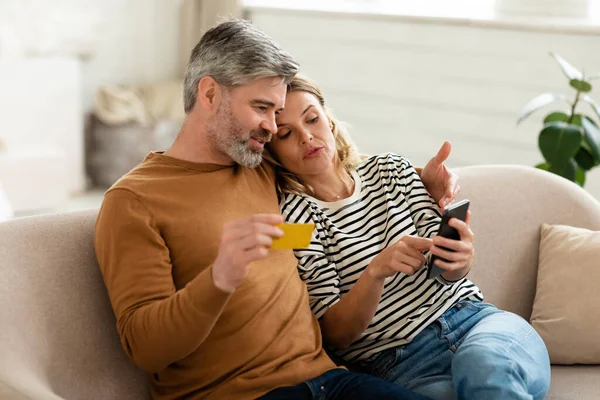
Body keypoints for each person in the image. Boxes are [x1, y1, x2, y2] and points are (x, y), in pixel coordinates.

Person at [94, 19, 455, 400]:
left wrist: (421, 179)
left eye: (276, 110)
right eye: (261, 107)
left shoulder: (261, 166)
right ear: (210, 93)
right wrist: (219, 277)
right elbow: (145, 349)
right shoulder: (134, 201)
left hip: (330, 380)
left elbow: (333, 164)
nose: (272, 126)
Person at [265, 75, 551, 400]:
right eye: (286, 134)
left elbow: (446, 272)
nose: (306, 137)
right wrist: (375, 272)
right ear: (274, 151)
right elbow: (335, 337)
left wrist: (460, 259)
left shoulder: (391, 170)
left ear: (328, 120)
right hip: (402, 364)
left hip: (478, 324)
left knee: (482, 366)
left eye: (312, 119)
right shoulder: (292, 221)